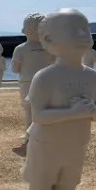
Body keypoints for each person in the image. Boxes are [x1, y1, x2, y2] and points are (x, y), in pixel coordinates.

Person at [22, 8, 96, 190]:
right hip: (46, 143)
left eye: (85, 29)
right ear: (48, 40)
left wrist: (92, 110)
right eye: (74, 30)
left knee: (67, 187)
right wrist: (73, 112)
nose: (83, 34)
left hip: (77, 142)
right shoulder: (44, 77)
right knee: (43, 184)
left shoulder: (92, 77)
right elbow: (38, 116)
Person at [12, 13, 55, 156]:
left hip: (27, 83)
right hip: (47, 82)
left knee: (30, 113)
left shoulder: (20, 48)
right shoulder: (50, 47)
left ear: (25, 30)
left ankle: (29, 142)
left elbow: (15, 69)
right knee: (46, 111)